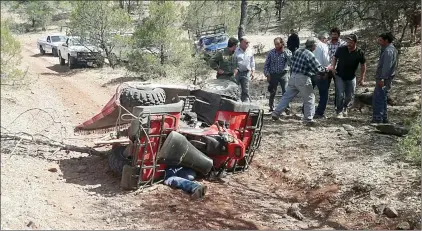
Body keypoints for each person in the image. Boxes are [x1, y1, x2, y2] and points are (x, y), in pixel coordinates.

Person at [271, 38, 327, 124]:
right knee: (310, 98)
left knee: (286, 96)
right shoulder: (310, 55)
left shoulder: (298, 51)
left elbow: (292, 62)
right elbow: (318, 68)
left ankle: (276, 113)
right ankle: (308, 119)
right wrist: (327, 69)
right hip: (303, 78)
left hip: (293, 76)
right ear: (313, 46)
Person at [329, 34, 366, 118]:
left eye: (351, 42)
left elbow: (363, 65)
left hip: (351, 76)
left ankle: (345, 107)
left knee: (350, 95)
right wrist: (333, 67)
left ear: (355, 42)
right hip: (339, 75)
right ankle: (339, 111)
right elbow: (335, 57)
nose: (348, 44)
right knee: (340, 94)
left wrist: (362, 77)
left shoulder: (360, 52)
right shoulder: (341, 49)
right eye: (347, 42)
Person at [372, 32, 398, 123]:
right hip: (386, 78)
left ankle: (378, 119)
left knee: (378, 98)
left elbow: (387, 66)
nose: (378, 42)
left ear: (386, 40)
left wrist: (382, 78)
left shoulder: (388, 51)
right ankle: (384, 118)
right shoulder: (390, 49)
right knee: (383, 98)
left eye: (380, 40)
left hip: (384, 78)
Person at [264, 37, 292, 113]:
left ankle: (287, 108)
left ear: (282, 43)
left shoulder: (287, 52)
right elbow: (266, 65)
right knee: (272, 91)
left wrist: (285, 53)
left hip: (284, 74)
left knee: (285, 91)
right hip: (273, 75)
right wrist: (267, 74)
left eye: (278, 44)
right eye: (275, 44)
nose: (276, 46)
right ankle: (271, 107)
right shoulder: (271, 53)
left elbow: (290, 63)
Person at [327, 27, 347, 107]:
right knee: (325, 87)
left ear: (339, 35)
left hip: (338, 68)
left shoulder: (343, 44)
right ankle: (324, 105)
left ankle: (338, 106)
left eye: (335, 34)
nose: (334, 36)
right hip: (328, 68)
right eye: (332, 34)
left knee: (339, 88)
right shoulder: (327, 43)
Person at [313, 32, 331, 119]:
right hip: (320, 72)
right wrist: (327, 71)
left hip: (311, 72)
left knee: (308, 92)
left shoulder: (312, 45)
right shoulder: (324, 46)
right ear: (324, 38)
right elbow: (326, 60)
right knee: (324, 94)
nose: (328, 40)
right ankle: (319, 113)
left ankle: (306, 111)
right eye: (327, 39)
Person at [233, 36, 256, 102]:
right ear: (242, 42)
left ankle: (245, 102)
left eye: (248, 43)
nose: (248, 44)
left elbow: (252, 61)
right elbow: (232, 61)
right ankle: (236, 102)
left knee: (246, 89)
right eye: (246, 42)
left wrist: (253, 71)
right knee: (235, 88)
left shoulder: (250, 50)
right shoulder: (236, 51)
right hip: (237, 73)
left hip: (246, 73)